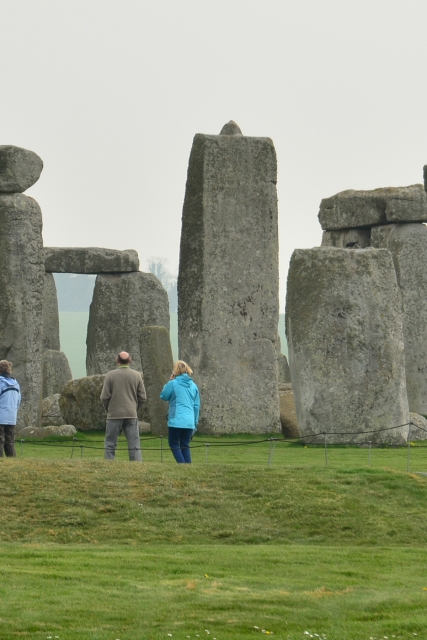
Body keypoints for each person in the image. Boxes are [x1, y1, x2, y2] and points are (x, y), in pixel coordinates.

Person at [100, 351, 146, 461]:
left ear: (117, 360)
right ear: (130, 361)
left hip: (114, 414)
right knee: (134, 444)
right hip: (131, 414)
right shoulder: (136, 375)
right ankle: (136, 466)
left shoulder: (110, 375)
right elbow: (143, 397)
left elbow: (104, 397)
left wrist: (109, 409)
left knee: (110, 443)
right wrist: (135, 408)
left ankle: (109, 465)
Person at [160, 360, 200, 464]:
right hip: (189, 420)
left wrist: (169, 381)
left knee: (173, 443)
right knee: (185, 445)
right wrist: (195, 422)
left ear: (175, 371)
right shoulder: (194, 386)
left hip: (176, 419)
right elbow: (196, 406)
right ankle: (188, 467)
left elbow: (164, 396)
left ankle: (182, 465)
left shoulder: (173, 383)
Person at [0, 360, 21, 458]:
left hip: (1, 415)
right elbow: (18, 400)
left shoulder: (1, 382)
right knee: (10, 441)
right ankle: (12, 461)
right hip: (12, 416)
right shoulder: (16, 383)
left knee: (0, 440)